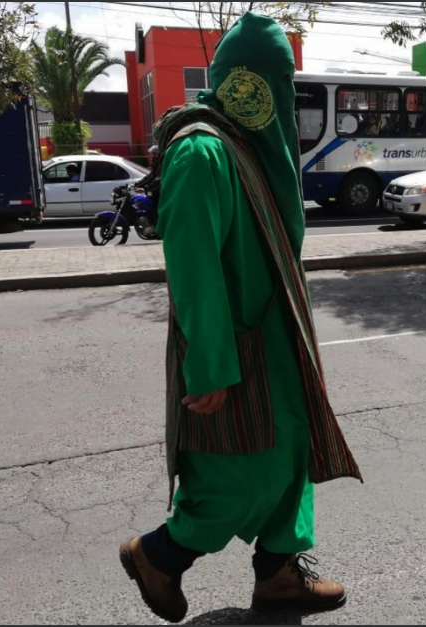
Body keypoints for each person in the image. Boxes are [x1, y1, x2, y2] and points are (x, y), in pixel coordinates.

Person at [117, 14, 362, 624]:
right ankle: (158, 555)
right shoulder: (204, 151)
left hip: (279, 347)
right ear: (242, 83)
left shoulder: (249, 149)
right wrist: (210, 367)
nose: (280, 95)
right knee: (237, 471)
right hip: (235, 354)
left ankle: (278, 575)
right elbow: (193, 269)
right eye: (273, 80)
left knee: (289, 459)